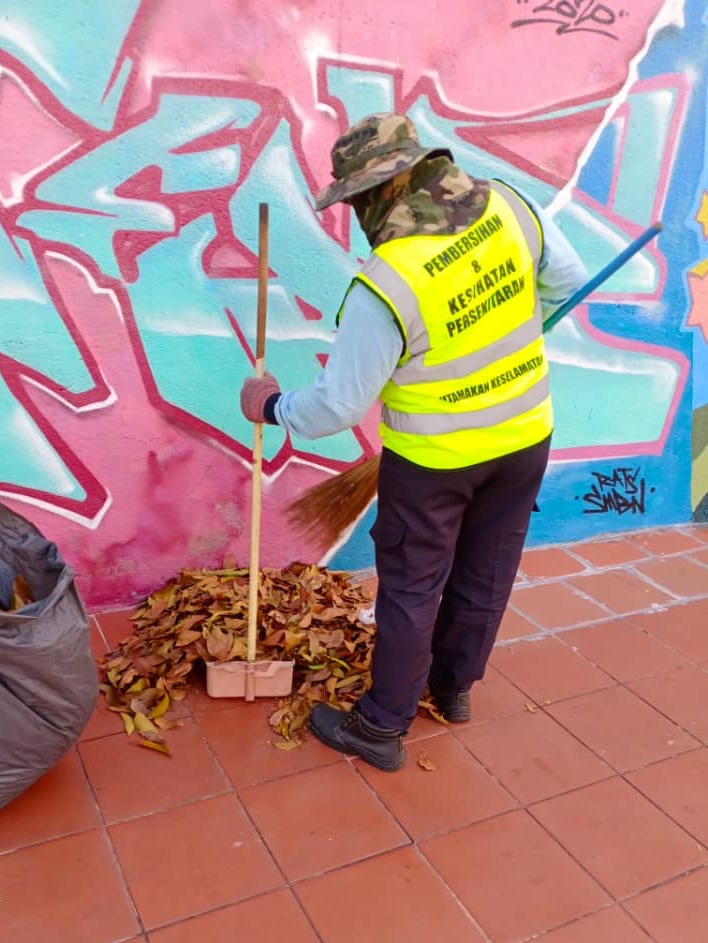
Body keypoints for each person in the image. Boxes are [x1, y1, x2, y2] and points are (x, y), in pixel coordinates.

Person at [240, 113, 587, 772]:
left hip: (433, 464)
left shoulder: (389, 280)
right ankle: (452, 690)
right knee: (485, 573)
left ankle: (379, 726)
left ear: (377, 192)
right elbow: (565, 283)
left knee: (410, 588)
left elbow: (336, 406)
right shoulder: (510, 207)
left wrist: (270, 405)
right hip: (522, 440)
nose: (354, 217)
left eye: (354, 202)